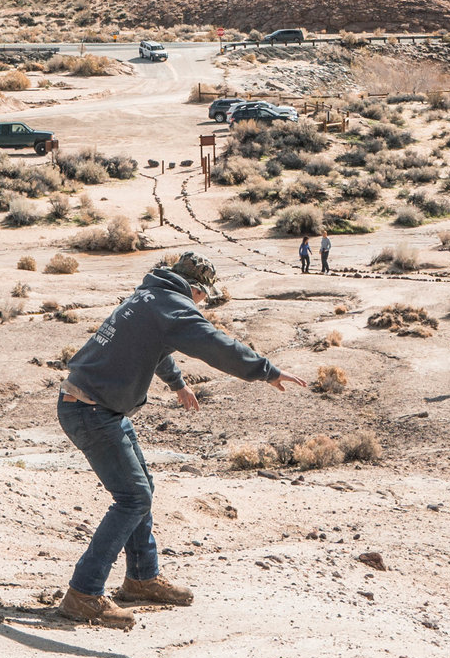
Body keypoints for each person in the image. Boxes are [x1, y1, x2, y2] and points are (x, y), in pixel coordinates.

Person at [55, 251, 305, 628]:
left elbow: (154, 349)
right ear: (196, 289)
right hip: (90, 410)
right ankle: (84, 594)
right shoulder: (174, 306)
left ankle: (142, 579)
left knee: (142, 490)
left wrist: (178, 385)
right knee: (133, 496)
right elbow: (215, 345)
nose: (203, 303)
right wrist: (265, 371)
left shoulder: (149, 297)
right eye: (205, 297)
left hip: (94, 406)